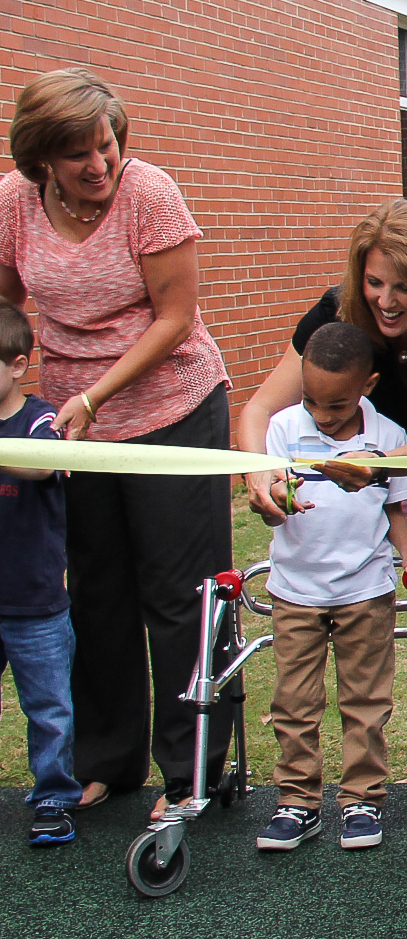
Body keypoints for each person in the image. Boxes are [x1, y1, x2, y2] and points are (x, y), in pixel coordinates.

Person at [0, 69, 233, 820]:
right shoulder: (12, 201)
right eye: (77, 155)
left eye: (106, 145)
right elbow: (5, 302)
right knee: (97, 593)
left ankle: (192, 771)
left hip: (173, 408)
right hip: (77, 426)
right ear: (42, 160)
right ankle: (107, 761)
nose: (99, 165)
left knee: (179, 597)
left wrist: (96, 393)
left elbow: (174, 318)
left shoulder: (149, 193)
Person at [238, 200, 407, 816]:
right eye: (376, 281)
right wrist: (260, 470)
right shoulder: (336, 315)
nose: (386, 300)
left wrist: (373, 467)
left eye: (405, 287)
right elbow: (257, 411)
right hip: (393, 477)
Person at [256, 322, 407, 851]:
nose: (322, 416)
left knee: (366, 700)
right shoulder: (284, 428)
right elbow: (267, 504)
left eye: (336, 405)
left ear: (368, 386)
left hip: (365, 589)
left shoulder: (390, 437)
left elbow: (396, 506)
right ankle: (296, 802)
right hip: (295, 590)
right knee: (294, 700)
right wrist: (276, 500)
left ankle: (362, 799)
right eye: (312, 401)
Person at [0, 301, 82, 845]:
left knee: (50, 708)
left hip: (35, 602)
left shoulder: (37, 418)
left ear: (16, 365)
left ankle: (53, 796)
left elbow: (42, 463)